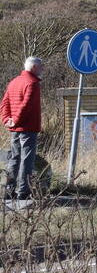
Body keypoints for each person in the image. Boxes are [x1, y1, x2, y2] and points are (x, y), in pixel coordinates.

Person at [2, 57, 43, 201]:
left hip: (15, 128)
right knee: (27, 159)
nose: (42, 69)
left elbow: (4, 103)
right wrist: (15, 121)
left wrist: (8, 120)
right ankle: (23, 191)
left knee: (14, 157)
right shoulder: (32, 83)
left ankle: (8, 190)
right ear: (33, 68)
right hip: (28, 127)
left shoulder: (14, 82)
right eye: (40, 67)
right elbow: (26, 106)